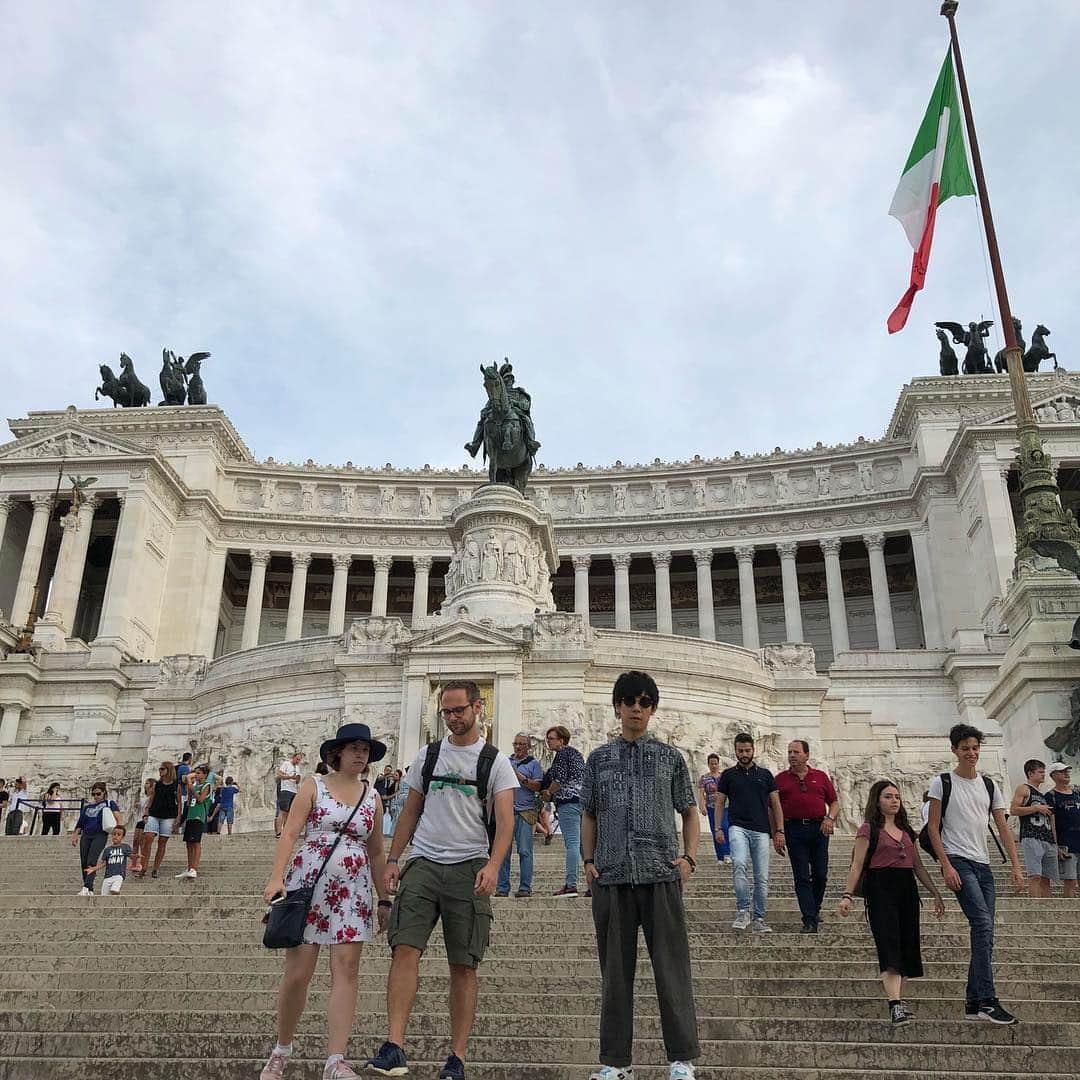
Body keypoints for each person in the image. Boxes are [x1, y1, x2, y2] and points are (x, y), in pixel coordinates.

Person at [363, 679, 516, 1080]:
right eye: (446, 711)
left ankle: (457, 1058)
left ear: (478, 708)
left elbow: (506, 821)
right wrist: (394, 858)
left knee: (464, 964)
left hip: (469, 865)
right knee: (404, 949)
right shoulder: (428, 756)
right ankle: (394, 1044)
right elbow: (410, 810)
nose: (452, 718)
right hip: (425, 862)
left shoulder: (495, 761)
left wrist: (495, 865)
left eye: (459, 710)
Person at [581, 670, 700, 1080]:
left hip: (660, 873)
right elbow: (589, 813)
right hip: (612, 875)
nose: (637, 708)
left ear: (652, 709)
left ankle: (681, 1059)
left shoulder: (671, 757)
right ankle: (615, 1062)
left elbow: (689, 810)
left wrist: (689, 859)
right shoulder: (598, 759)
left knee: (672, 970)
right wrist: (588, 861)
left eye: (645, 702)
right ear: (617, 706)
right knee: (615, 975)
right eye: (630, 701)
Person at [260, 722, 390, 1080]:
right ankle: (282, 1048)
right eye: (354, 748)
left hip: (354, 889)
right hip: (308, 884)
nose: (361, 755)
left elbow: (377, 852)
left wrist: (384, 898)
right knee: (298, 973)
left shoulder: (373, 797)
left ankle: (336, 1059)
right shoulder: (313, 785)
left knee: (346, 971)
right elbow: (289, 834)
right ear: (338, 753)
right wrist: (276, 878)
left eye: (365, 750)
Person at [927, 723, 1025, 1024]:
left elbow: (1003, 827)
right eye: (965, 748)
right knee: (982, 924)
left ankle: (972, 1001)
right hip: (958, 860)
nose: (971, 753)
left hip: (983, 865)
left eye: (975, 747)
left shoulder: (989, 785)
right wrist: (946, 864)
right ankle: (987, 1000)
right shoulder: (942, 782)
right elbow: (932, 827)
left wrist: (1017, 865)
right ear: (954, 750)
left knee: (986, 931)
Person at [838, 780, 945, 1024]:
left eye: (897, 796)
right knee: (889, 946)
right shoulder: (868, 829)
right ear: (877, 800)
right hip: (880, 888)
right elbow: (856, 864)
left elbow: (917, 865)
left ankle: (898, 1000)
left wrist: (935, 892)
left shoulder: (907, 830)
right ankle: (894, 1004)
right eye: (888, 796)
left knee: (907, 947)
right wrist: (847, 895)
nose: (894, 800)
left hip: (906, 888)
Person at [715, 734, 783, 932]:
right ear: (735, 750)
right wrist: (718, 828)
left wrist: (779, 830)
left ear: (753, 750)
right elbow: (720, 802)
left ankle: (759, 918)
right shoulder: (728, 775)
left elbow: (776, 804)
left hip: (761, 830)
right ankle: (743, 910)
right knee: (739, 865)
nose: (744, 754)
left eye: (747, 750)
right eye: (740, 751)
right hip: (737, 827)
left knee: (761, 876)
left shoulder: (766, 774)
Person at [775, 740, 840, 933]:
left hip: (819, 828)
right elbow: (773, 808)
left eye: (796, 752)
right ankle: (809, 919)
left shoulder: (820, 777)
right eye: (789, 752)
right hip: (793, 829)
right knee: (801, 876)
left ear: (806, 755)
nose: (792, 755)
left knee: (820, 874)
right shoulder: (780, 779)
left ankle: (815, 907)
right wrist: (777, 832)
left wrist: (830, 818)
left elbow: (835, 802)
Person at [539, 725, 587, 897]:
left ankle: (571, 884)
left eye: (551, 738)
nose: (548, 741)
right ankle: (592, 884)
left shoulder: (561, 755)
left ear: (561, 740)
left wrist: (548, 793)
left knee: (572, 844)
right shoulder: (577, 754)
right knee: (584, 846)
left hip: (568, 802)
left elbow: (558, 780)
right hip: (582, 802)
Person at [496, 733, 544, 898]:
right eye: (515, 743)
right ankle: (502, 887)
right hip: (506, 812)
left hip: (525, 811)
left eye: (521, 744)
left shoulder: (533, 765)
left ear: (528, 747)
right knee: (502, 852)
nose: (517, 747)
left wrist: (520, 778)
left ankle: (525, 887)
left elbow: (538, 786)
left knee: (524, 851)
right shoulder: (505, 762)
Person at [1010, 759, 1058, 898]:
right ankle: (1036, 906)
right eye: (1040, 772)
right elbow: (1013, 809)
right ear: (1030, 773)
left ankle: (1046, 907)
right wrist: (1036, 808)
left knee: (1046, 878)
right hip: (1031, 835)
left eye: (1044, 772)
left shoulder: (1043, 795)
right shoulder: (1024, 788)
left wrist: (1055, 842)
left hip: (1047, 837)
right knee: (1035, 875)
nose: (1043, 775)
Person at [72, 783, 123, 896]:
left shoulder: (109, 803)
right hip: (86, 835)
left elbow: (118, 817)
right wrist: (75, 835)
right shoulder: (87, 807)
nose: (96, 796)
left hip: (100, 834)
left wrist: (118, 834)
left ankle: (86, 886)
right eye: (94, 794)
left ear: (104, 793)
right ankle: (89, 888)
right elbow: (80, 823)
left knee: (91, 860)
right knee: (84, 861)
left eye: (98, 794)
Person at [140, 761, 182, 878]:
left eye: (163, 769)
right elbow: (151, 799)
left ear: (169, 770)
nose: (160, 771)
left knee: (162, 843)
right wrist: (146, 812)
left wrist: (179, 817)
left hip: (169, 815)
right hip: (154, 813)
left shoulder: (176, 785)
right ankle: (143, 867)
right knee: (148, 838)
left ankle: (155, 868)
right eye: (160, 769)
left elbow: (179, 802)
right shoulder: (157, 784)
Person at [1046, 762, 1080, 898]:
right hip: (1066, 844)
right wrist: (1055, 846)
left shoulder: (1077, 793)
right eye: (1062, 771)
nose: (1066, 774)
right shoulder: (1051, 796)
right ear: (1054, 775)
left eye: (1067, 771)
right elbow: (1051, 823)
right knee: (1070, 880)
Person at [175, 764, 212, 880]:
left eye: (199, 773)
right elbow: (190, 799)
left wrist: (192, 789)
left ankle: (194, 868)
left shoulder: (207, 785)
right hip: (190, 815)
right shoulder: (195, 785)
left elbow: (201, 799)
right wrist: (190, 786)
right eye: (196, 772)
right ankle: (190, 867)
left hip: (198, 815)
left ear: (205, 774)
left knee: (195, 843)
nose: (196, 775)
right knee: (188, 843)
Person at [84, 824, 134, 895]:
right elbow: (103, 864)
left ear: (123, 837)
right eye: (114, 834)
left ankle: (116, 892)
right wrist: (94, 869)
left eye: (119, 834)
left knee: (114, 889)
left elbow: (131, 856)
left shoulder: (125, 847)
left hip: (119, 875)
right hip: (107, 876)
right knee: (104, 895)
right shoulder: (107, 850)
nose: (116, 836)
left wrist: (136, 857)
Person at [697, 754, 729, 864]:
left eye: (716, 763)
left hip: (724, 806)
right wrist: (702, 806)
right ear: (708, 764)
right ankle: (720, 857)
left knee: (725, 827)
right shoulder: (704, 778)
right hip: (711, 807)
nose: (714, 766)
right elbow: (701, 793)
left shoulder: (723, 776)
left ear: (718, 763)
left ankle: (727, 853)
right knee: (715, 830)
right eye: (712, 764)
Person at [276, 752, 305, 838]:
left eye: (299, 760)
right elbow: (280, 774)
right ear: (293, 757)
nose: (298, 761)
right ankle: (278, 832)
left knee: (290, 812)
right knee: (283, 811)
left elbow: (297, 780)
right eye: (297, 759)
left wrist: (297, 779)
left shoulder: (297, 768)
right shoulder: (286, 764)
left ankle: (286, 831)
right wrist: (290, 777)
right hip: (286, 790)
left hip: (294, 790)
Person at [131, 778, 154, 854]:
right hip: (139, 820)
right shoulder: (144, 798)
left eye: (147, 783)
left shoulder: (152, 798)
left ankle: (142, 861)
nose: (145, 785)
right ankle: (134, 862)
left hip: (146, 820)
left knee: (142, 842)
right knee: (135, 841)